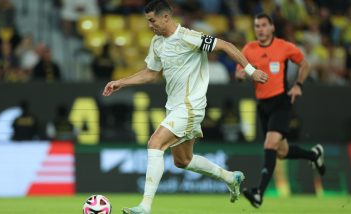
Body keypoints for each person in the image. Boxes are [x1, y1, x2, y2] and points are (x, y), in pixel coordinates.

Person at [102, 1, 268, 213]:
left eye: (152, 20)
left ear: (165, 17)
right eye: (147, 21)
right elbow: (151, 73)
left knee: (155, 144)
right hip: (175, 107)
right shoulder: (157, 43)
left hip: (190, 106)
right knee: (183, 160)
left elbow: (226, 46)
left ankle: (145, 206)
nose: (150, 25)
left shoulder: (189, 37)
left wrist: (251, 71)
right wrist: (121, 82)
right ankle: (230, 177)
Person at [235, 13, 326, 208]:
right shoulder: (249, 49)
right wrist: (241, 75)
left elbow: (305, 64)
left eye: (263, 25)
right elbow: (239, 74)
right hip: (263, 106)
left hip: (281, 103)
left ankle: (258, 193)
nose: (260, 29)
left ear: (272, 27)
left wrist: (299, 85)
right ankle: (314, 155)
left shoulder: (284, 47)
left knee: (269, 145)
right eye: (257, 26)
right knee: (282, 152)